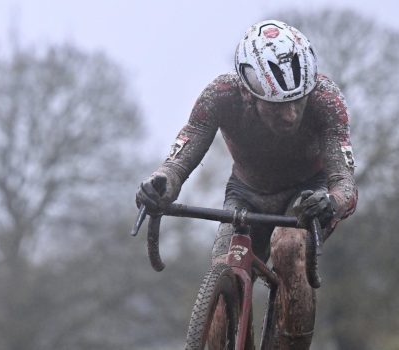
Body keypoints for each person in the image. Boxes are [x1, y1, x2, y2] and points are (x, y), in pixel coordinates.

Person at [135, 19, 358, 349]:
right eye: (278, 104)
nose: (291, 115)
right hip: (246, 193)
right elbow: (182, 155)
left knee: (289, 246)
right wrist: (161, 185)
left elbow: (345, 184)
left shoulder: (326, 100)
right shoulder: (222, 95)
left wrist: (332, 202)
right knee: (224, 273)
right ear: (248, 94)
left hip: (307, 196)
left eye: (299, 101)